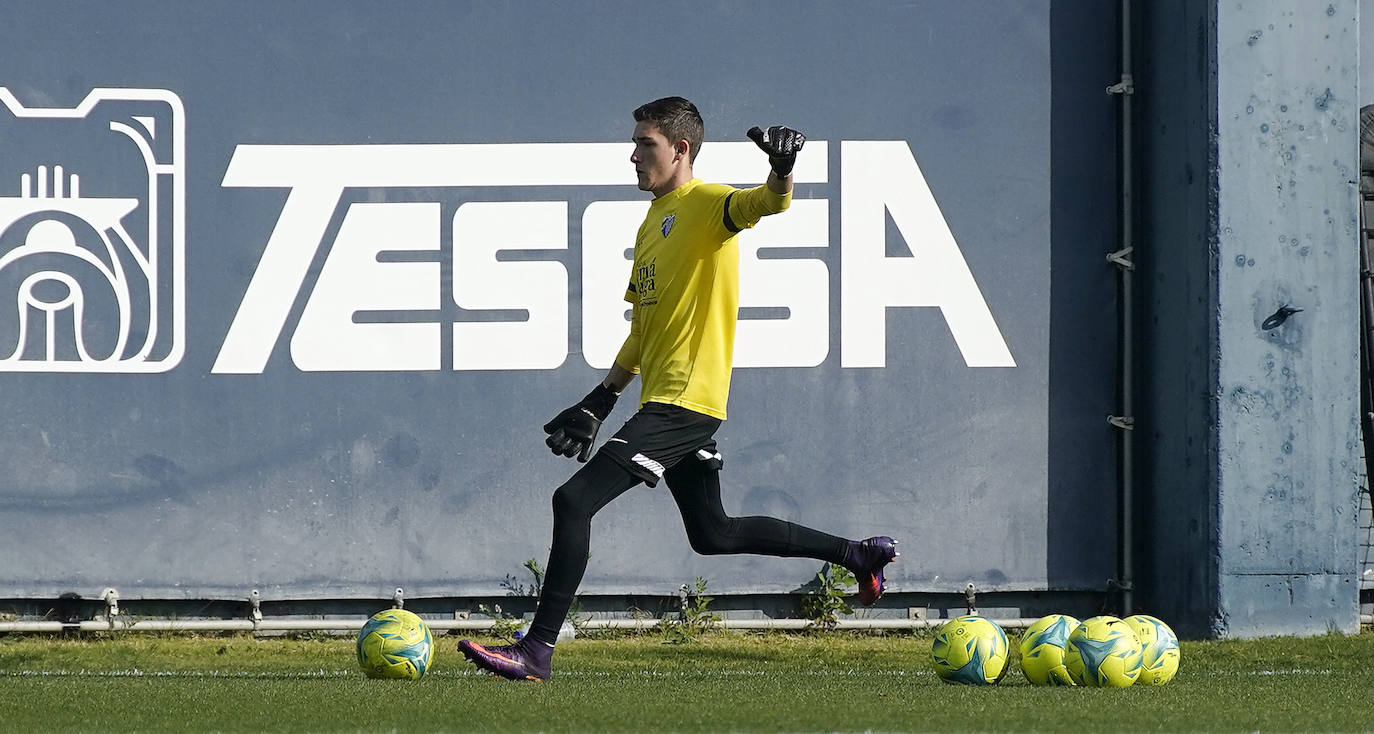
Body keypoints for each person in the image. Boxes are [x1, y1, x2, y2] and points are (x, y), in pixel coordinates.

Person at [458, 96, 897, 681]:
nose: (633, 155)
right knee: (713, 534)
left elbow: (766, 203)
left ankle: (537, 649)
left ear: (680, 149)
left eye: (646, 144)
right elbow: (642, 330)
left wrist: (782, 170)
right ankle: (856, 555)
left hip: (685, 402)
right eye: (636, 143)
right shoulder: (650, 224)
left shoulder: (709, 204)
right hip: (663, 398)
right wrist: (601, 399)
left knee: (573, 501)